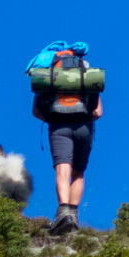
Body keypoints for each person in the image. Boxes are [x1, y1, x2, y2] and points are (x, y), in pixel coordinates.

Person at [30, 42, 102, 235]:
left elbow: (36, 111)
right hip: (84, 126)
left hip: (58, 126)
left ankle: (63, 214)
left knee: (63, 170)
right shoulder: (84, 70)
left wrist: (54, 118)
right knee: (78, 173)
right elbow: (98, 112)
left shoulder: (50, 72)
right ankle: (74, 216)